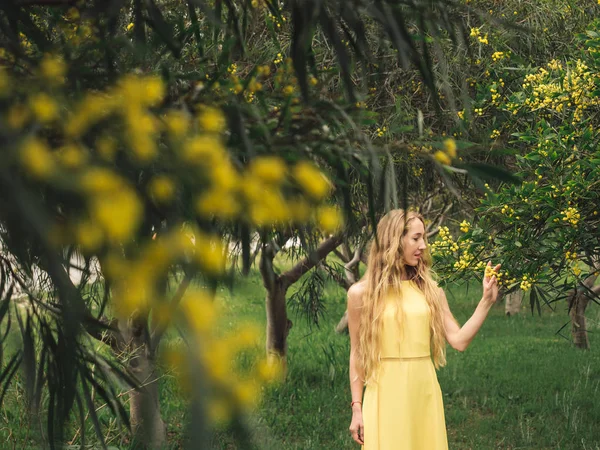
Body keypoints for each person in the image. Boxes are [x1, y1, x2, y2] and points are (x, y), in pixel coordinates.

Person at [347, 209, 500, 449]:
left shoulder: (431, 290)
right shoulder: (360, 294)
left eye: (424, 238)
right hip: (384, 392)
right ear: (394, 240)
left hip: (423, 390)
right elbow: (356, 353)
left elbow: (459, 341)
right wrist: (357, 408)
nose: (424, 246)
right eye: (416, 238)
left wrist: (486, 302)